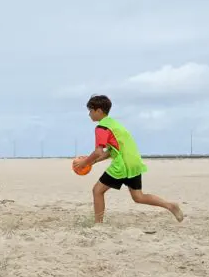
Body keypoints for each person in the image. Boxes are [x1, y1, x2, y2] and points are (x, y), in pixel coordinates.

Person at [74, 95, 184, 223]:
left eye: (90, 111)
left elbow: (98, 152)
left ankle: (98, 225)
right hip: (133, 162)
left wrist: (83, 162)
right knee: (138, 197)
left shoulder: (102, 127)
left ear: (99, 111)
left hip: (122, 165)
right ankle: (171, 205)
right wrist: (92, 162)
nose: (89, 114)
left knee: (97, 191)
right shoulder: (114, 124)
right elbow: (110, 151)